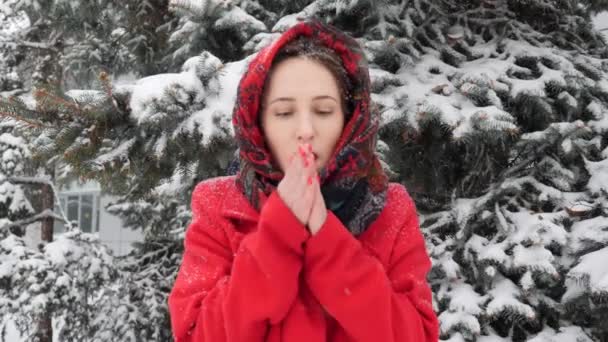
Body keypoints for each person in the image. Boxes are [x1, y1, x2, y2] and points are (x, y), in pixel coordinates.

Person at [168, 19, 439, 341]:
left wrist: (328, 240)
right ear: (258, 123)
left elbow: (415, 336)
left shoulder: (389, 208)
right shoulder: (220, 207)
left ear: (350, 119)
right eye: (284, 113)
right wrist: (278, 234)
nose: (306, 130)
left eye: (324, 111)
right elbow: (197, 334)